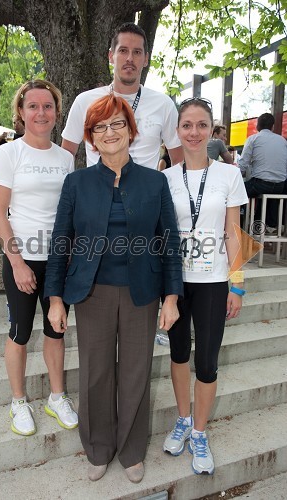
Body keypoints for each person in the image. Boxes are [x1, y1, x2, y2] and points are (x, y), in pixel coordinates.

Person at [44, 94, 183, 483]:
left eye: (118, 124)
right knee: (95, 374)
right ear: (90, 137)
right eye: (100, 127)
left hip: (142, 293)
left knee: (136, 373)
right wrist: (56, 298)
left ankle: (132, 450)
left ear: (131, 130)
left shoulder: (155, 182)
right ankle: (99, 447)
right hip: (92, 293)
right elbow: (61, 243)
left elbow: (169, 241)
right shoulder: (77, 183)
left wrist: (171, 297)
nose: (110, 132)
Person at [162, 97, 248, 475]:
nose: (193, 132)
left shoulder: (229, 175)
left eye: (201, 125)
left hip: (214, 282)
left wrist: (237, 284)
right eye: (186, 125)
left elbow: (233, 232)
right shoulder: (165, 177)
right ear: (177, 131)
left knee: (207, 362)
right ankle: (183, 419)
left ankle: (199, 432)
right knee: (178, 354)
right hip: (176, 284)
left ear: (211, 129)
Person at [0, 79, 78, 437]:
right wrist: (18, 263)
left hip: (57, 261)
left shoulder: (66, 158)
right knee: (20, 332)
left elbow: (69, 213)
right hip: (21, 259)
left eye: (48, 106)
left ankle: (56, 397)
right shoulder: (9, 154)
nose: (41, 112)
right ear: (21, 113)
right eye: (33, 106)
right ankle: (18, 401)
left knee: (56, 330)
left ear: (57, 112)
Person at [61, 22, 183, 169]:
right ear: (111, 56)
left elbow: (178, 160)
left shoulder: (163, 104)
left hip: (146, 191)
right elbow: (65, 157)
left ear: (146, 59)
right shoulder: (85, 101)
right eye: (123, 51)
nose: (130, 58)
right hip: (99, 190)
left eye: (137, 52)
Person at [239, 112, 287, 231]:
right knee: (268, 193)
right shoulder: (283, 141)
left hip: (260, 184)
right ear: (272, 127)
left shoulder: (253, 139)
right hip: (280, 187)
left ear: (257, 126)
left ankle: (240, 224)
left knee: (236, 191)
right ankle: (268, 225)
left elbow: (243, 164)